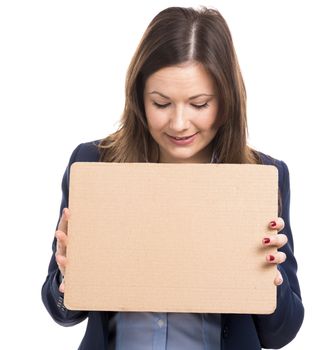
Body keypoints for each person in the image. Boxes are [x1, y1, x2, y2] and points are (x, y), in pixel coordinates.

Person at [41, 6, 304, 350]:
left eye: (199, 104)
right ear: (139, 98)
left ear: (225, 102)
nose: (179, 123)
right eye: (161, 103)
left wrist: (272, 277)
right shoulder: (95, 164)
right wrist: (67, 276)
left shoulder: (260, 176)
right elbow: (63, 313)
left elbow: (279, 335)